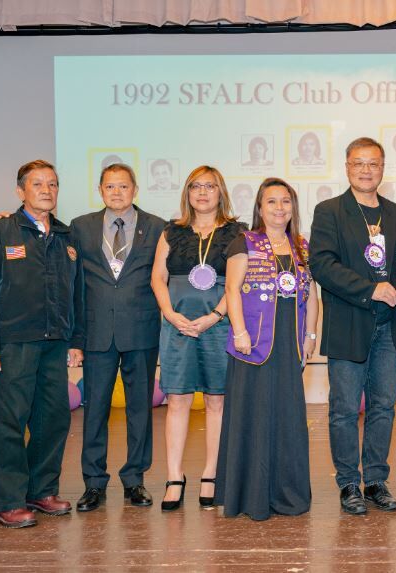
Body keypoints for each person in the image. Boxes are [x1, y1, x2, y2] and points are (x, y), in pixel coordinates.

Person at [0, 160, 84, 528]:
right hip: (11, 345)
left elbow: (77, 293)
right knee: (7, 423)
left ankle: (41, 490)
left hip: (55, 344)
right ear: (21, 191)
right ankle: (6, 500)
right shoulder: (1, 231)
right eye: (38, 184)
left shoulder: (66, 237)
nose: (47, 190)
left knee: (53, 419)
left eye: (52, 183)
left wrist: (75, 339)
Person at [309, 137, 396, 515]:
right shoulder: (329, 212)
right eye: (359, 163)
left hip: (390, 328)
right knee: (343, 410)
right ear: (347, 167)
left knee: (384, 407)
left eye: (373, 163)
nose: (366, 170)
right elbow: (321, 265)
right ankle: (348, 483)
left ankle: (375, 480)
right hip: (348, 324)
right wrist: (372, 289)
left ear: (383, 168)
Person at [215, 178, 319, 520]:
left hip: (290, 345)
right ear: (260, 208)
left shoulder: (302, 246)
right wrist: (240, 331)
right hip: (253, 344)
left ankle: (286, 493)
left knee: (288, 418)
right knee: (254, 415)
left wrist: (310, 335)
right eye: (272, 202)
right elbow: (232, 290)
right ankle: (251, 495)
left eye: (286, 201)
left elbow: (312, 295)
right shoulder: (244, 242)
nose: (279, 208)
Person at [150, 165, 245, 511]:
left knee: (217, 400)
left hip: (219, 325)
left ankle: (211, 473)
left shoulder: (237, 232)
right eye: (195, 187)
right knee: (176, 400)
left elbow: (238, 282)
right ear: (187, 193)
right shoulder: (171, 231)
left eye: (210, 186)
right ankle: (175, 476)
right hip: (176, 326)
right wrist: (170, 314)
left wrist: (215, 316)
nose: (202, 193)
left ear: (221, 192)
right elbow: (158, 277)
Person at [72, 164, 165, 512]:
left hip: (141, 330)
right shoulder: (80, 227)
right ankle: (94, 483)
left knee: (140, 408)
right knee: (94, 410)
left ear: (135, 189)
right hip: (96, 333)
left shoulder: (158, 227)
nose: (117, 192)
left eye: (123, 186)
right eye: (110, 186)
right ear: (100, 190)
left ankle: (134, 480)